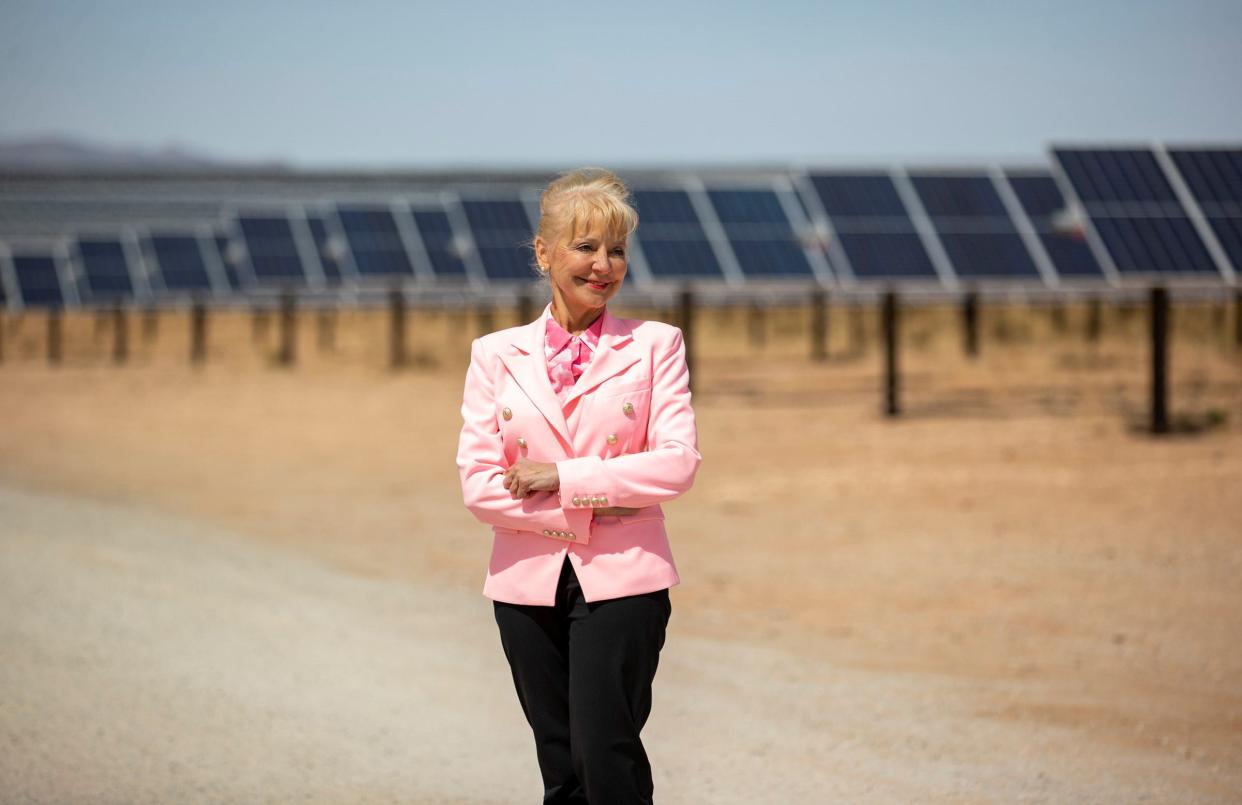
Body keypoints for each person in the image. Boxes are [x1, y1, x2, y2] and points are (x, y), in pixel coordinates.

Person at [456, 167, 700, 804]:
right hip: (524, 583)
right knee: (559, 762)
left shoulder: (655, 345)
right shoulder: (494, 353)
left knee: (606, 753)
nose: (604, 265)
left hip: (625, 578)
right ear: (544, 253)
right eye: (585, 247)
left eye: (616, 250)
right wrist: (599, 500)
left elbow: (676, 465)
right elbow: (480, 487)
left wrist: (563, 479)